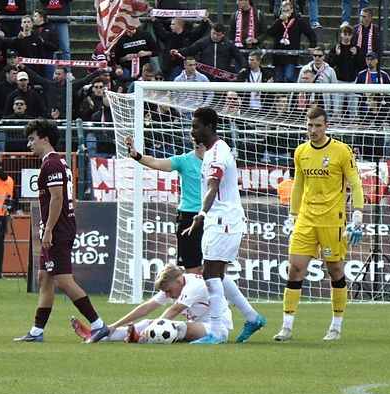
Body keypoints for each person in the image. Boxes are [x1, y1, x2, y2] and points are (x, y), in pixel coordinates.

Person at [273, 106, 364, 342]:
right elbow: (298, 184)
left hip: (332, 220)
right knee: (295, 269)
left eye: (318, 126)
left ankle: (336, 326)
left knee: (335, 271)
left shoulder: (341, 151)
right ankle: (286, 326)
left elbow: (355, 183)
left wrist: (358, 214)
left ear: (326, 126)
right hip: (306, 219)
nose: (313, 130)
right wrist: (293, 215)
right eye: (310, 126)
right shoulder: (301, 151)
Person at [15, 119, 109, 343]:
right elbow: (68, 198)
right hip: (58, 227)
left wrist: (49, 229)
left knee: (63, 280)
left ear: (45, 139)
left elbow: (57, 198)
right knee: (44, 277)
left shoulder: (52, 164)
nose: (29, 144)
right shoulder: (59, 163)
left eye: (32, 139)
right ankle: (36, 332)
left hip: (57, 230)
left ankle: (98, 325)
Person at [184, 107, 267, 344]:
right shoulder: (216, 149)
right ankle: (252, 317)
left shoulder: (216, 154)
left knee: (210, 272)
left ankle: (218, 332)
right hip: (224, 219)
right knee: (217, 272)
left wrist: (201, 214)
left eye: (196, 126)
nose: (192, 131)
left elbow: (213, 186)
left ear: (209, 127)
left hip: (222, 220)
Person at [73, 263, 233, 344]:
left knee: (179, 327)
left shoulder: (194, 285)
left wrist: (151, 329)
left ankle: (140, 338)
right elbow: (147, 307)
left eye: (169, 291)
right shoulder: (174, 285)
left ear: (179, 281)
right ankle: (99, 335)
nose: (168, 295)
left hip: (218, 329)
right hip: (200, 325)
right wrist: (114, 325)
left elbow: (174, 310)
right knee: (147, 322)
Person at [126, 135, 205, 274]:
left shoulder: (219, 160)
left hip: (214, 216)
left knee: (218, 271)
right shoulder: (184, 160)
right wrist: (138, 156)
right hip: (189, 216)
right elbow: (156, 161)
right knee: (193, 271)